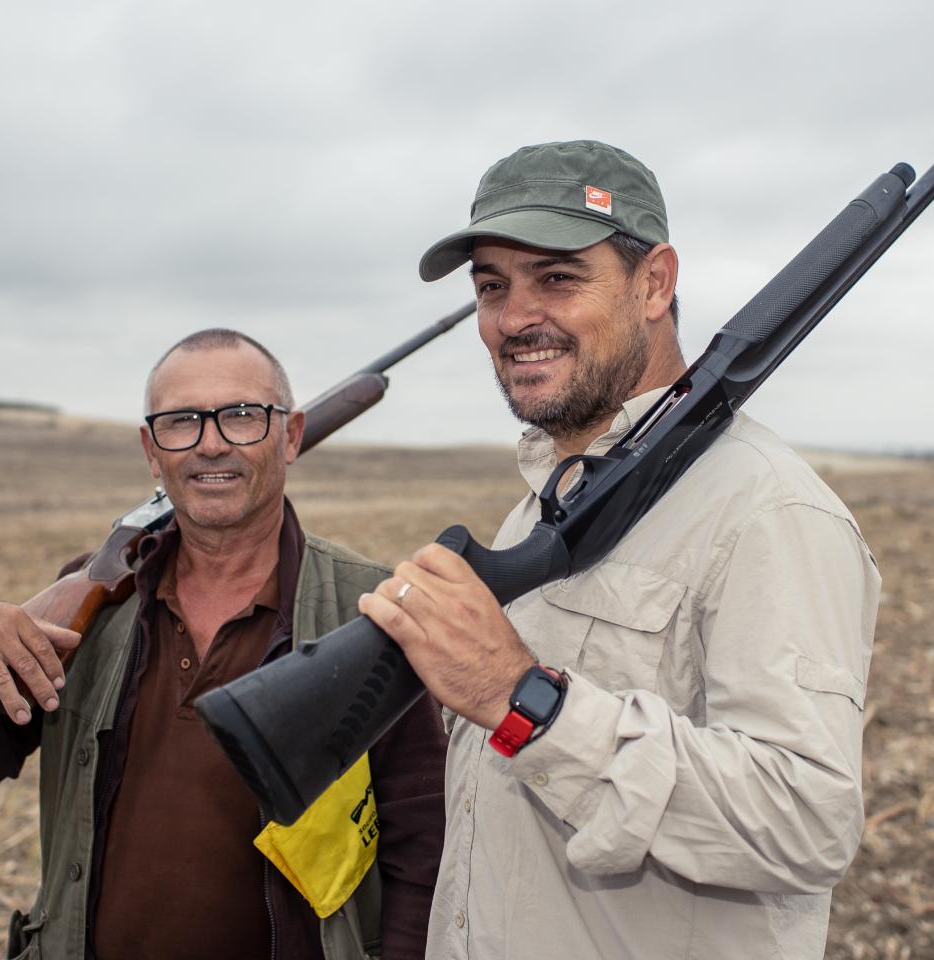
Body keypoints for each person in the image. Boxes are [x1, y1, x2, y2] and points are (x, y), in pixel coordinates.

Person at [357, 141, 880, 959]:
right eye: (493, 287)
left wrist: (524, 700)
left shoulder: (767, 510)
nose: (516, 317)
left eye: (558, 278)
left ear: (655, 283)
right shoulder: (538, 506)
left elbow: (806, 821)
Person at [0, 330, 447, 960]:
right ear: (151, 451)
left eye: (243, 415)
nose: (211, 442)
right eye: (181, 421)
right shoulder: (94, 605)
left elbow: (423, 844)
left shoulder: (369, 606)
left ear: (291, 436)